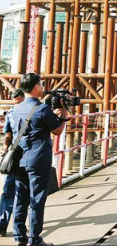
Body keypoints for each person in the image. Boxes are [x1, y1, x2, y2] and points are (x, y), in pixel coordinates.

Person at [12, 73, 68, 246]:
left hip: (19, 158)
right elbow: (57, 130)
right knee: (37, 198)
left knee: (20, 197)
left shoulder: (16, 108)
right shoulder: (42, 109)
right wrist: (64, 111)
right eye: (41, 84)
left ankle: (19, 236)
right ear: (36, 87)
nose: (43, 87)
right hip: (38, 159)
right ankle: (34, 239)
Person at [0, 89, 24, 236]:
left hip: (15, 155)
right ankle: (18, 227)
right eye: (15, 103)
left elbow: (7, 136)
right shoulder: (37, 111)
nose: (16, 105)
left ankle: (3, 223)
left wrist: (6, 150)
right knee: (21, 192)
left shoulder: (11, 114)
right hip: (27, 156)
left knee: (8, 190)